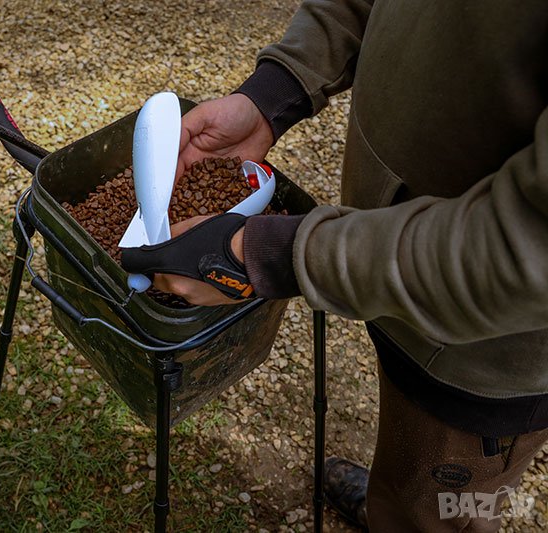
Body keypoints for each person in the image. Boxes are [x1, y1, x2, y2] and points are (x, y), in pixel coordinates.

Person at [121, 1, 548, 531]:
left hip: (484, 358)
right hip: (392, 273)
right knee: (404, 472)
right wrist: (274, 94)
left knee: (435, 510)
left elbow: (527, 248)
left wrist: (275, 254)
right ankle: (391, 498)